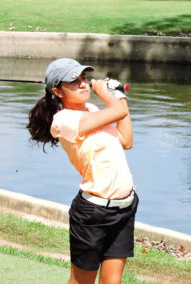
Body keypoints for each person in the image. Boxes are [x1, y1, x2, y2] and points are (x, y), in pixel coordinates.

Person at [27, 58, 139, 284]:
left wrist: (116, 97)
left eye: (84, 79)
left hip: (125, 207)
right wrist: (110, 93)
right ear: (58, 91)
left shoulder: (92, 109)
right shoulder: (63, 121)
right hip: (93, 213)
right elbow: (118, 111)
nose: (83, 84)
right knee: (82, 282)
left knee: (112, 281)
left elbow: (126, 141)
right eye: (74, 81)